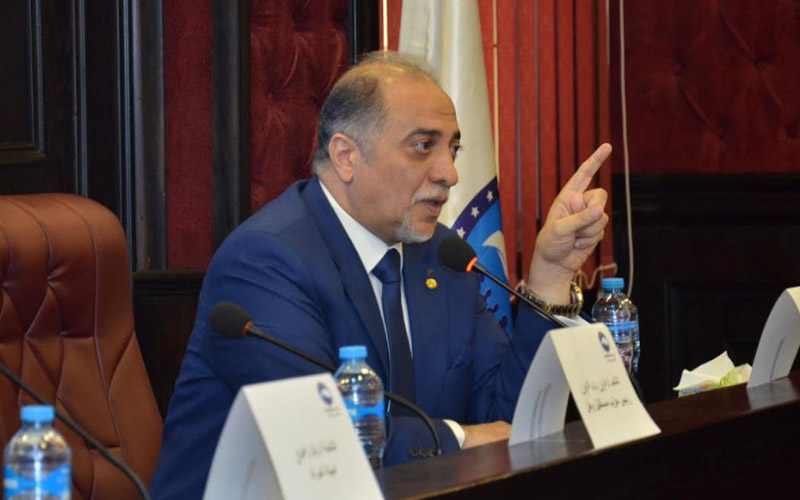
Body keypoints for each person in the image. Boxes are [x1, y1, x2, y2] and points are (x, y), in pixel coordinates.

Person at [149, 51, 610, 499]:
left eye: (453, 149)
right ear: (346, 156)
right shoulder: (265, 260)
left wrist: (551, 275)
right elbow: (320, 442)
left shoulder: (444, 257)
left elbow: (508, 421)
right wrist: (460, 439)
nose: (450, 173)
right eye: (424, 146)